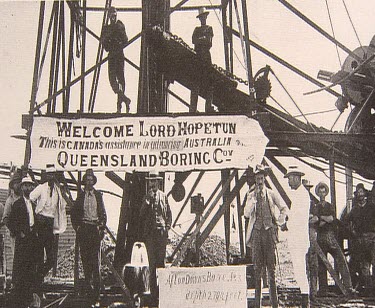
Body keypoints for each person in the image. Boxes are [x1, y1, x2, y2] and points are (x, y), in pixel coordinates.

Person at [243, 165, 288, 308]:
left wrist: (279, 223)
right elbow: (246, 213)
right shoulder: (251, 196)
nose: (260, 182)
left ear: (265, 179)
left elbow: (284, 208)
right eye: (257, 179)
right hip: (256, 234)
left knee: (271, 270)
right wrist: (253, 200)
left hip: (269, 234)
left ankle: (275, 305)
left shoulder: (272, 194)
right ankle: (258, 305)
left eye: (262, 179)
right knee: (257, 269)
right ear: (255, 181)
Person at [71, 169, 107, 308]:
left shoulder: (98, 195)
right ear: (85, 181)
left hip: (94, 230)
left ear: (94, 181)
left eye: (91, 179)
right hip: (84, 229)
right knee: (86, 264)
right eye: (87, 179)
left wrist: (101, 228)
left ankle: (96, 297)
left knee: (95, 264)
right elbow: (74, 214)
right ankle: (89, 295)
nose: (89, 181)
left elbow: (103, 214)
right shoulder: (80, 196)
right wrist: (78, 228)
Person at [311, 182, 352, 294]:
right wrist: (323, 219)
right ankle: (323, 289)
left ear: (326, 193)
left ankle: (348, 286)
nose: (322, 193)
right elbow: (316, 223)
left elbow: (331, 219)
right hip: (321, 237)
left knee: (341, 259)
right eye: (320, 191)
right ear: (318, 193)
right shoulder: (316, 207)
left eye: (324, 191)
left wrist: (320, 218)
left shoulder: (330, 206)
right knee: (321, 264)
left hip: (330, 236)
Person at [29, 164, 67, 284]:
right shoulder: (41, 187)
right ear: (46, 175)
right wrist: (36, 215)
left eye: (53, 174)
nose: (51, 177)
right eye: (49, 174)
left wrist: (63, 188)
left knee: (51, 259)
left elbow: (62, 205)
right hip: (41, 223)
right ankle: (37, 284)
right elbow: (30, 199)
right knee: (39, 255)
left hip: (50, 223)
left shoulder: (57, 190)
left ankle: (39, 274)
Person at [140, 171, 172, 303]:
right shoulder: (146, 197)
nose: (153, 184)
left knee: (161, 264)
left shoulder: (164, 196)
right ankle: (153, 295)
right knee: (152, 265)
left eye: (155, 181)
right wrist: (147, 202)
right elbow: (141, 215)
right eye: (151, 181)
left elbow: (169, 213)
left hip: (161, 233)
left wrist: (167, 226)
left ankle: (162, 293)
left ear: (158, 182)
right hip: (151, 235)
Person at [8, 176, 38, 308]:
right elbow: (10, 222)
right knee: (21, 267)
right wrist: (19, 232)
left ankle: (28, 298)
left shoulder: (33, 204)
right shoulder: (17, 204)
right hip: (22, 239)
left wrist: (35, 232)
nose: (28, 188)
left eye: (30, 186)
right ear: (21, 187)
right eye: (25, 185)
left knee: (31, 267)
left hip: (31, 238)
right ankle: (19, 299)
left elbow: (34, 220)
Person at [284, 166, 310, 307]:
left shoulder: (302, 195)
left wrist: (285, 225)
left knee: (300, 269)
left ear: (296, 178)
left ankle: (306, 302)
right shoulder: (300, 194)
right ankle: (304, 299)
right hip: (298, 238)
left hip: (298, 239)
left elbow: (297, 218)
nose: (288, 182)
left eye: (289, 179)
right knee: (299, 270)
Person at [345, 183, 375, 293]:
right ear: (356, 196)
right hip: (360, 240)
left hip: (372, 238)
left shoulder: (372, 207)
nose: (360, 195)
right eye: (358, 193)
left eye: (362, 192)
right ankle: (369, 289)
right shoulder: (354, 210)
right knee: (364, 266)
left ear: (365, 194)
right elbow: (346, 221)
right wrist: (352, 231)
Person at [102, 6, 131, 113]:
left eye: (114, 15)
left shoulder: (119, 25)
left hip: (118, 54)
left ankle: (120, 105)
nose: (113, 18)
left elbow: (125, 40)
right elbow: (105, 46)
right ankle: (125, 99)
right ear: (109, 16)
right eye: (111, 16)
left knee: (121, 79)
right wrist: (109, 39)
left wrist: (117, 40)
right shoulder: (106, 28)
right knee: (112, 79)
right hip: (112, 55)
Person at [190, 7, 214, 113]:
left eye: (204, 17)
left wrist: (201, 40)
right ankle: (193, 108)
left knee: (209, 83)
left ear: (206, 18)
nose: (203, 19)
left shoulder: (209, 28)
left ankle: (208, 107)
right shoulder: (197, 29)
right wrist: (202, 39)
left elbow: (209, 42)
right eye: (201, 18)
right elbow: (193, 40)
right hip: (198, 57)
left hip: (205, 57)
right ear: (200, 19)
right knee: (196, 83)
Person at [2, 170, 22, 254]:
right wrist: (14, 230)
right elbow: (5, 218)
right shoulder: (10, 200)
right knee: (17, 257)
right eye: (16, 183)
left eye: (19, 183)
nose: (18, 185)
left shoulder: (24, 198)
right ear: (12, 186)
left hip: (25, 232)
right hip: (16, 234)